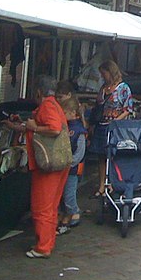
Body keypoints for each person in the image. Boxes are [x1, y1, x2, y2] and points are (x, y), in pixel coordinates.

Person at [4, 75, 69, 259]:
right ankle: (47, 242)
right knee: (51, 206)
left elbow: (54, 129)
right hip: (59, 163)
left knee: (41, 206)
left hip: (48, 165)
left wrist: (33, 128)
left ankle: (43, 247)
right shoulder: (55, 104)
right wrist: (23, 125)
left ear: (38, 91)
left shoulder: (47, 105)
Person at [91, 60, 133, 196]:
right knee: (100, 157)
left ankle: (113, 184)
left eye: (104, 73)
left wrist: (116, 121)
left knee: (113, 156)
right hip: (100, 125)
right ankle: (101, 185)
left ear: (111, 72)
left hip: (115, 128)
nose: (103, 76)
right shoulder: (103, 87)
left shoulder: (123, 88)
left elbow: (128, 109)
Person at [58, 96, 87, 232]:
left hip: (73, 168)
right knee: (63, 193)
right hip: (64, 166)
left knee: (69, 193)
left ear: (73, 113)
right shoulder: (65, 127)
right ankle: (66, 213)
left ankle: (74, 212)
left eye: (64, 113)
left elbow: (80, 153)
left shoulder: (79, 131)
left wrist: (71, 162)